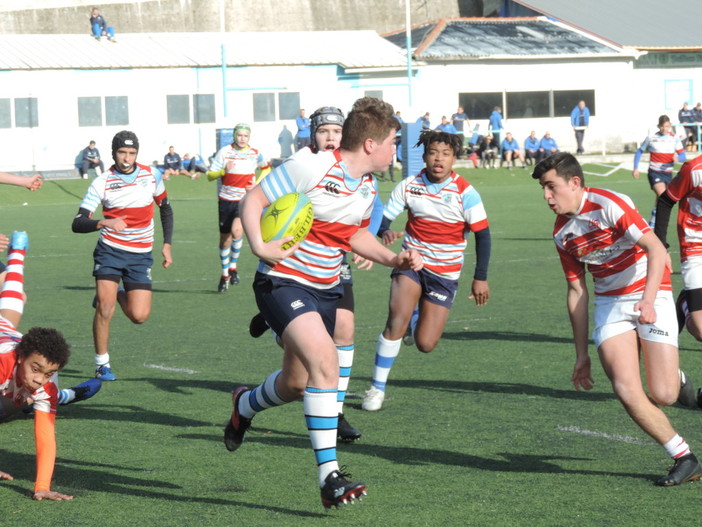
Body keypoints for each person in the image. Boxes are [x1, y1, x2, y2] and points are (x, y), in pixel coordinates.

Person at [226, 97, 423, 508]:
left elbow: (352, 236)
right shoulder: (312, 166)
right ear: (370, 144)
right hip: (282, 282)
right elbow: (253, 201)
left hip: (327, 288)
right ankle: (330, 477)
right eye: (393, 141)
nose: (396, 150)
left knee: (296, 384)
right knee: (326, 362)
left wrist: (393, 257)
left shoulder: (367, 187)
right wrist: (261, 247)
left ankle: (244, 405)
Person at [532, 152, 702, 487]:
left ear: (575, 183)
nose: (546, 196)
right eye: (543, 188)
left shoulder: (609, 203)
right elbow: (577, 293)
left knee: (664, 394)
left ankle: (676, 377)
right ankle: (684, 457)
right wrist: (581, 356)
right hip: (611, 303)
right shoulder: (561, 232)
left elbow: (656, 250)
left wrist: (649, 302)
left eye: (551, 187)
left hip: (651, 290)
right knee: (625, 387)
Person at [249, 105, 380, 442]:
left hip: (333, 265)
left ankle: (335, 411)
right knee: (299, 375)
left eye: (336, 132)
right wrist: (259, 238)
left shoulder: (360, 175)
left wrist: (376, 250)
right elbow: (265, 203)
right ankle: (280, 324)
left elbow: (366, 214)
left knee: (346, 330)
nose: (330, 137)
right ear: (313, 134)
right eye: (324, 131)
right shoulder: (306, 166)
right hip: (293, 272)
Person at [362, 130, 491, 412]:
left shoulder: (465, 192)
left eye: (445, 154)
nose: (438, 159)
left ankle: (415, 319)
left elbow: (483, 235)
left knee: (425, 343)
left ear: (454, 159)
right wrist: (384, 232)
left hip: (444, 275)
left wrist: (480, 278)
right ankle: (376, 388)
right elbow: (383, 218)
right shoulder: (410, 185)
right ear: (424, 156)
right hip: (411, 263)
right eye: (433, 153)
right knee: (395, 321)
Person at [71, 131, 174, 381]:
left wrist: (167, 244)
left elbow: (166, 208)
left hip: (140, 255)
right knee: (105, 308)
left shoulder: (152, 176)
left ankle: (116, 293)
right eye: (122, 152)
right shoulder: (102, 181)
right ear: (113, 153)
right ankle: (101, 364)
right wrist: (104, 222)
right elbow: (77, 222)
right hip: (110, 252)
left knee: (139, 316)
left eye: (132, 153)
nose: (127, 158)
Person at [0, 231, 91, 501]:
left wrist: (42, 485)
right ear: (20, 359)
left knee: (12, 310)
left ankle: (17, 254)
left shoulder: (45, 382)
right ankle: (17, 254)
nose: (41, 380)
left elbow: (45, 435)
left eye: (49, 373)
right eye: (36, 369)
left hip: (8, 334)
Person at [206, 123, 269, 293]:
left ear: (249, 137)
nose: (242, 139)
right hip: (226, 201)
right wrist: (223, 172)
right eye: (240, 135)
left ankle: (233, 267)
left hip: (244, 200)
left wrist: (256, 183)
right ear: (235, 136)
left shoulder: (255, 153)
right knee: (225, 239)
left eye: (245, 136)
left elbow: (267, 168)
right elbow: (209, 176)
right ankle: (225, 274)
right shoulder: (224, 152)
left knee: (237, 231)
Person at [654, 156, 702, 342]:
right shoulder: (694, 169)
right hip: (694, 245)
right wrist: (661, 246)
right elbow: (666, 201)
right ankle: (685, 302)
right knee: (700, 331)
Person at [632, 115, 686, 227]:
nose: (664, 129)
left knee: (662, 199)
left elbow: (683, 155)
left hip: (668, 173)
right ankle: (655, 225)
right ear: (658, 126)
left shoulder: (675, 138)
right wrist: (635, 168)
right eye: (662, 126)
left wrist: (678, 158)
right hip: (654, 172)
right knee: (662, 195)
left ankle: (652, 222)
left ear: (670, 126)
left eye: (667, 126)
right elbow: (639, 151)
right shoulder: (651, 138)